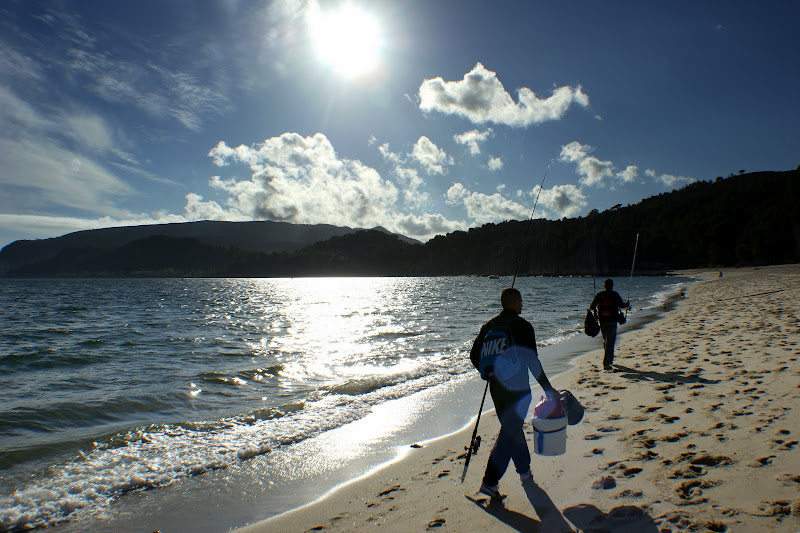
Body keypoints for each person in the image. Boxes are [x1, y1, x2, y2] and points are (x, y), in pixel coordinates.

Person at [469, 287, 559, 500]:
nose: (522, 304)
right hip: (517, 391)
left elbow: (474, 355)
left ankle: (525, 473)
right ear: (516, 301)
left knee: (513, 430)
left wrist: (487, 372)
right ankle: (489, 482)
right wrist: (548, 388)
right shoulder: (523, 326)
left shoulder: (489, 326)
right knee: (509, 433)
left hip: (496, 390)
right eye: (521, 300)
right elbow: (532, 361)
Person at [590, 279, 631, 371]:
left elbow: (592, 306)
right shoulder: (614, 295)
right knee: (610, 341)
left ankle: (609, 359)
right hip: (612, 321)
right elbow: (621, 305)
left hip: (602, 321)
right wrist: (627, 304)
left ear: (604, 286)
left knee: (606, 340)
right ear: (612, 286)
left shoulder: (600, 295)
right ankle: (607, 362)